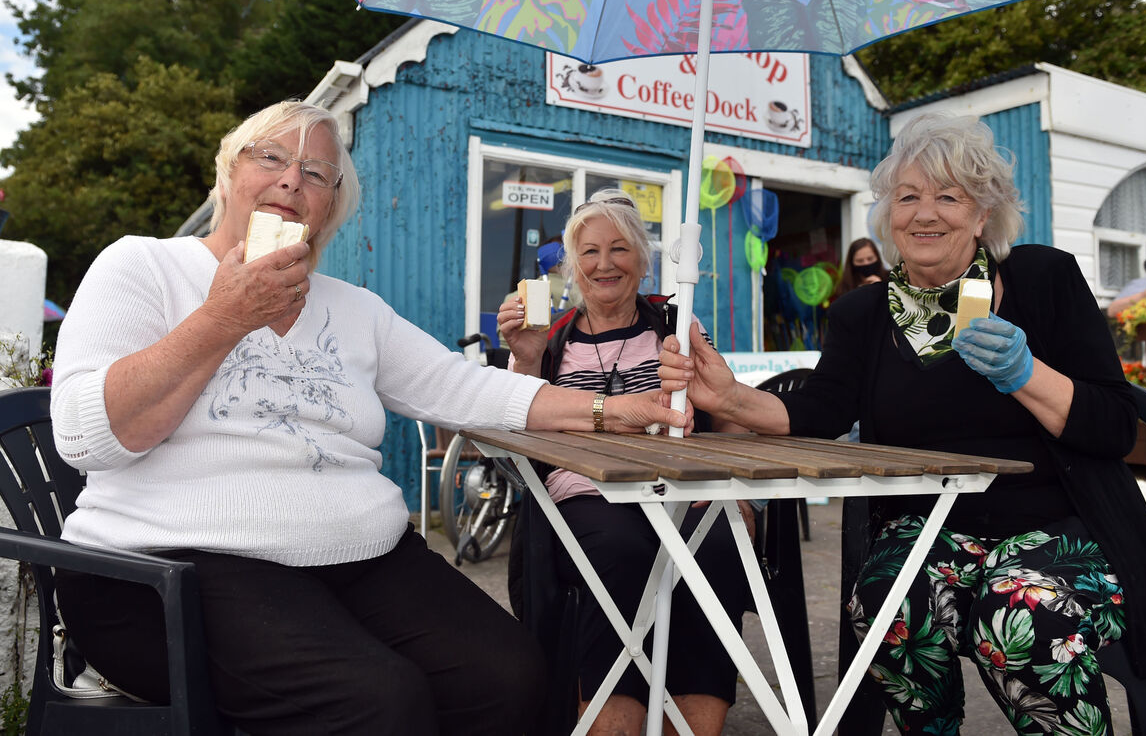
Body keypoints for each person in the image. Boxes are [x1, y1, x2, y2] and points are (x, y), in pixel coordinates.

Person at [48, 101, 688, 736]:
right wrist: (222, 317)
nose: (292, 180)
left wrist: (611, 410)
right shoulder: (143, 266)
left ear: (330, 209)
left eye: (318, 173)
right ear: (227, 173)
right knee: (377, 701)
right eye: (270, 157)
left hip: (348, 559)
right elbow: (84, 434)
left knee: (511, 675)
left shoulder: (355, 308)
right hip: (164, 570)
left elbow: (463, 388)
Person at [659, 113, 1146, 734]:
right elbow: (815, 414)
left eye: (948, 197)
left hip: (1063, 528)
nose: (925, 213)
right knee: (884, 602)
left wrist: (1026, 374)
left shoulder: (1043, 278)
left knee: (1018, 608)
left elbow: (1117, 428)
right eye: (908, 197)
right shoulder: (862, 314)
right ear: (888, 215)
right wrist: (729, 396)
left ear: (983, 215)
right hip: (929, 532)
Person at [497, 189, 749, 736]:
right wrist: (525, 357)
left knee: (719, 546)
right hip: (584, 493)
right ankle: (615, 722)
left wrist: (740, 493)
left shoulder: (677, 324)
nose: (604, 264)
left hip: (677, 485)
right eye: (589, 252)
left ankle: (691, 726)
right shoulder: (552, 337)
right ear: (571, 265)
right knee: (623, 550)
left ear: (643, 260)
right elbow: (517, 436)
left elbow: (726, 406)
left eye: (619, 249)